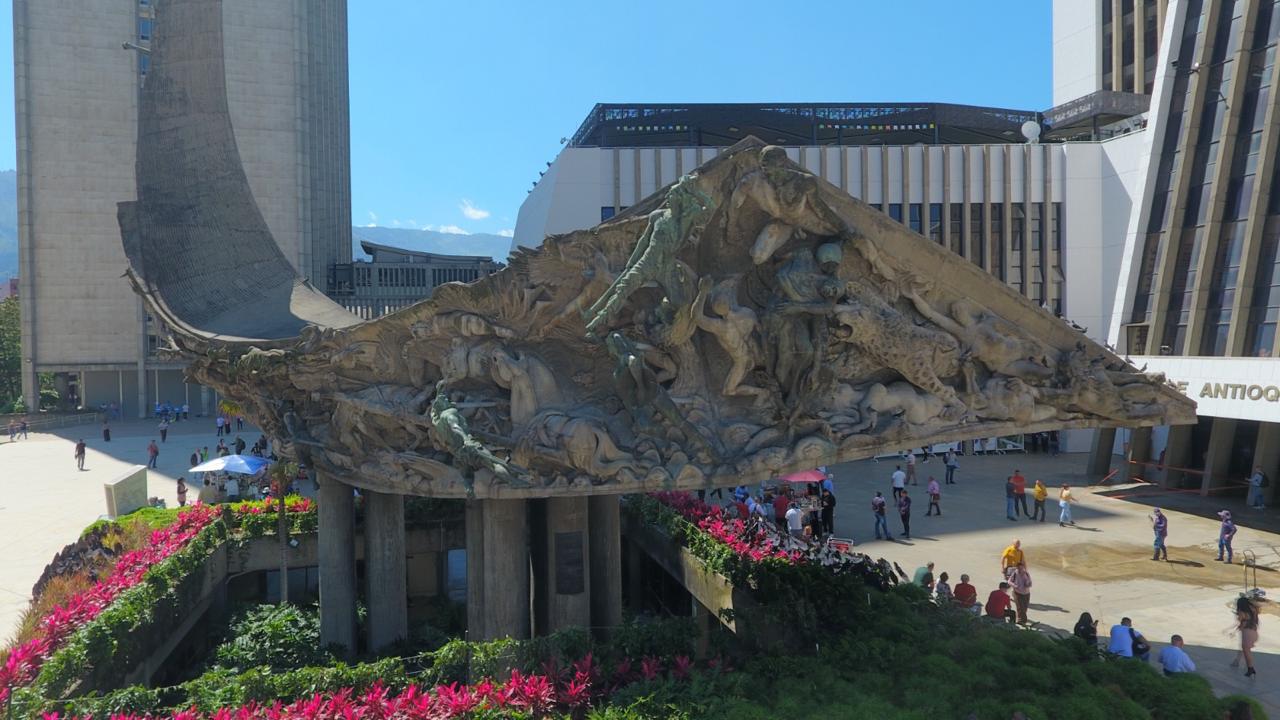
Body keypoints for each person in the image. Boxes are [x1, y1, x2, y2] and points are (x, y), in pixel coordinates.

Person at [1233, 596, 1259, 678]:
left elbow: (1240, 623)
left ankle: (1250, 669)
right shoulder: (1253, 610)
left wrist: (1234, 630)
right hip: (1254, 633)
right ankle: (1249, 668)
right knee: (1247, 651)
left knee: (1246, 652)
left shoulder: (1241, 612)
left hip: (1247, 634)